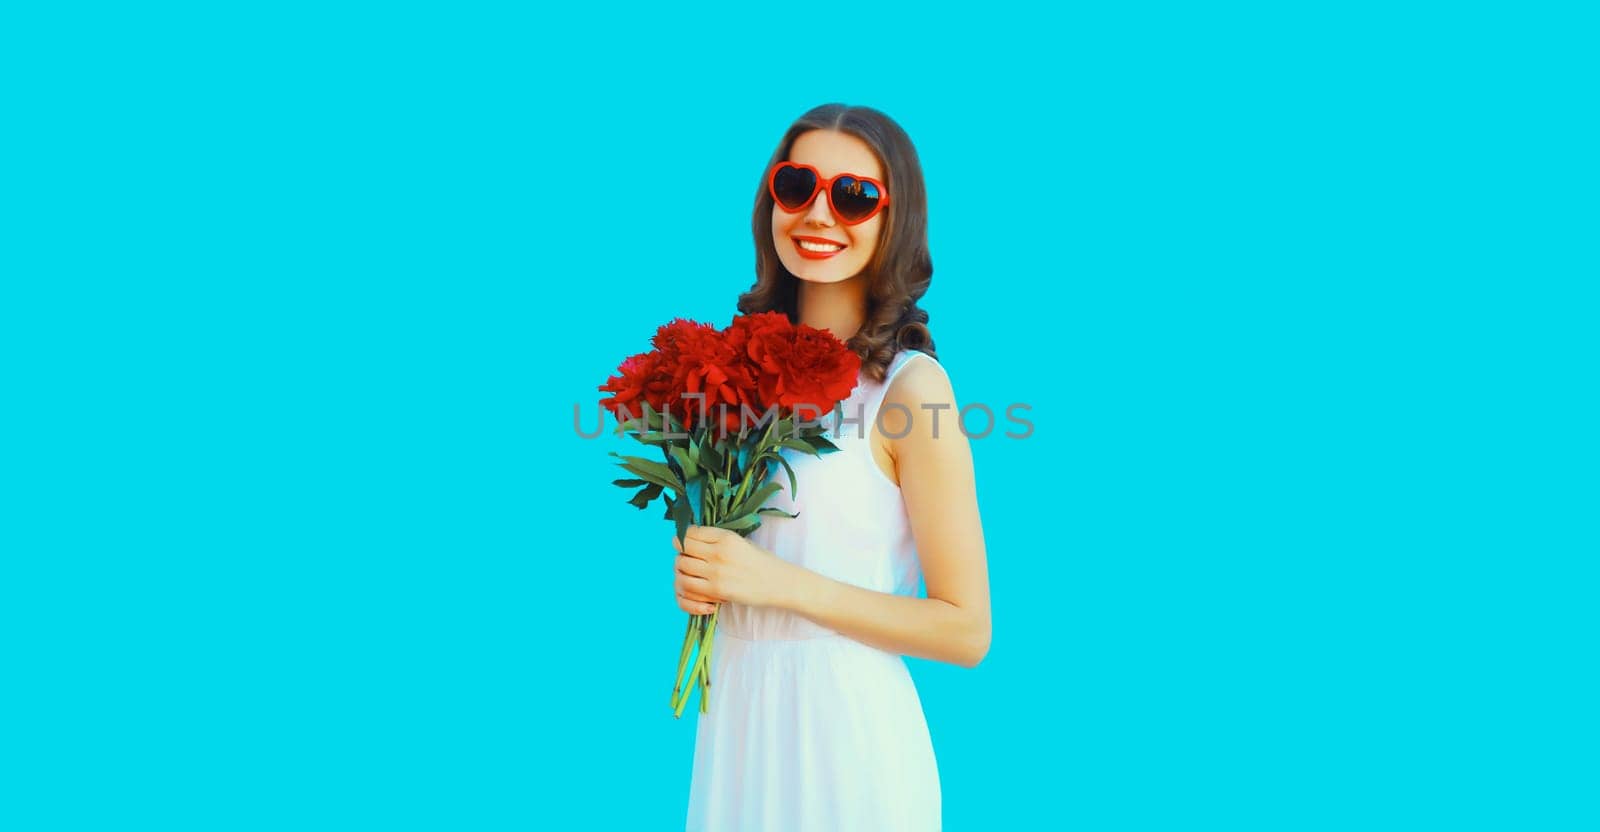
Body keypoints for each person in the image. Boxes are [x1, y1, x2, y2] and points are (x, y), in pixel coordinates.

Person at [673, 103, 992, 832]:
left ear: (893, 221)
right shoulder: (737, 373)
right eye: (797, 186)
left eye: (852, 196)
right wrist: (708, 569)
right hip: (739, 722)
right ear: (771, 202)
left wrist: (773, 582)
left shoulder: (909, 391)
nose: (818, 214)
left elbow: (967, 630)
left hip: (845, 743)